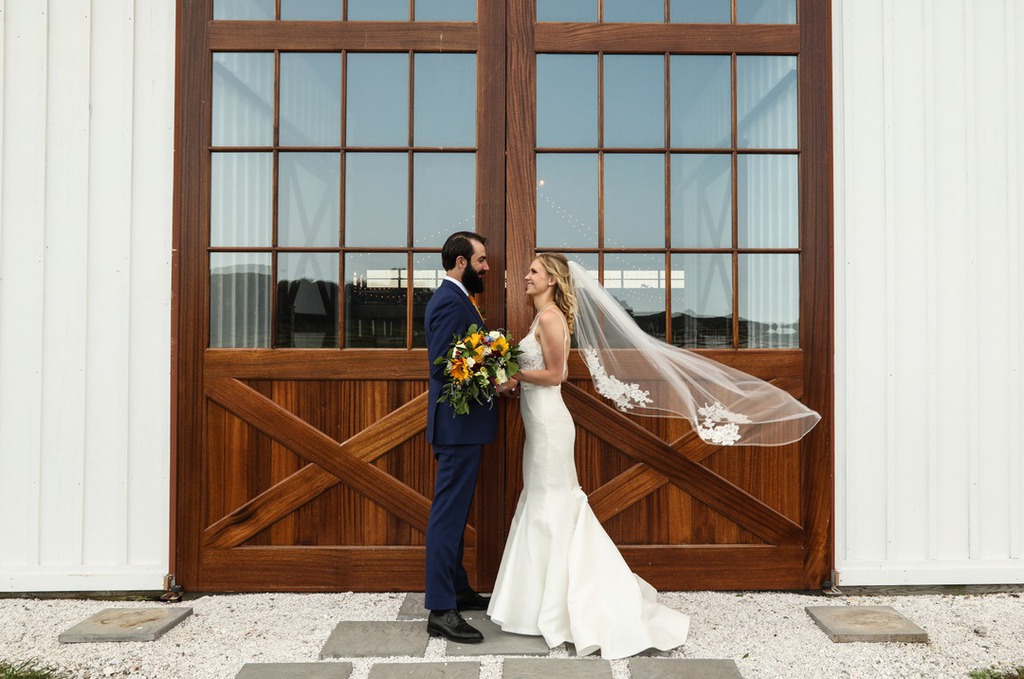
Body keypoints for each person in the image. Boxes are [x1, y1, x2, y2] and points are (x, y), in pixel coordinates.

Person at [486, 253, 691, 658]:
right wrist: (509, 383)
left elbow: (557, 375)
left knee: (552, 504)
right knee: (542, 502)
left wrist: (514, 374)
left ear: (552, 281)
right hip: (538, 422)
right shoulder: (541, 315)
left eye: (533, 272)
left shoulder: (549, 318)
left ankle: (564, 606)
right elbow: (538, 371)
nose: (525, 276)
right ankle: (538, 604)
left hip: (549, 426)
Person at [423, 231, 515, 644]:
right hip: (456, 429)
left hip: (465, 429)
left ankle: (457, 587)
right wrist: (493, 377)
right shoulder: (447, 301)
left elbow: (463, 357)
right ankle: (441, 609)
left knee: (457, 514)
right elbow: (445, 367)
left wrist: (490, 365)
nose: (487, 267)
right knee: (447, 515)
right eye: (481, 260)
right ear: (461, 261)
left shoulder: (460, 299)